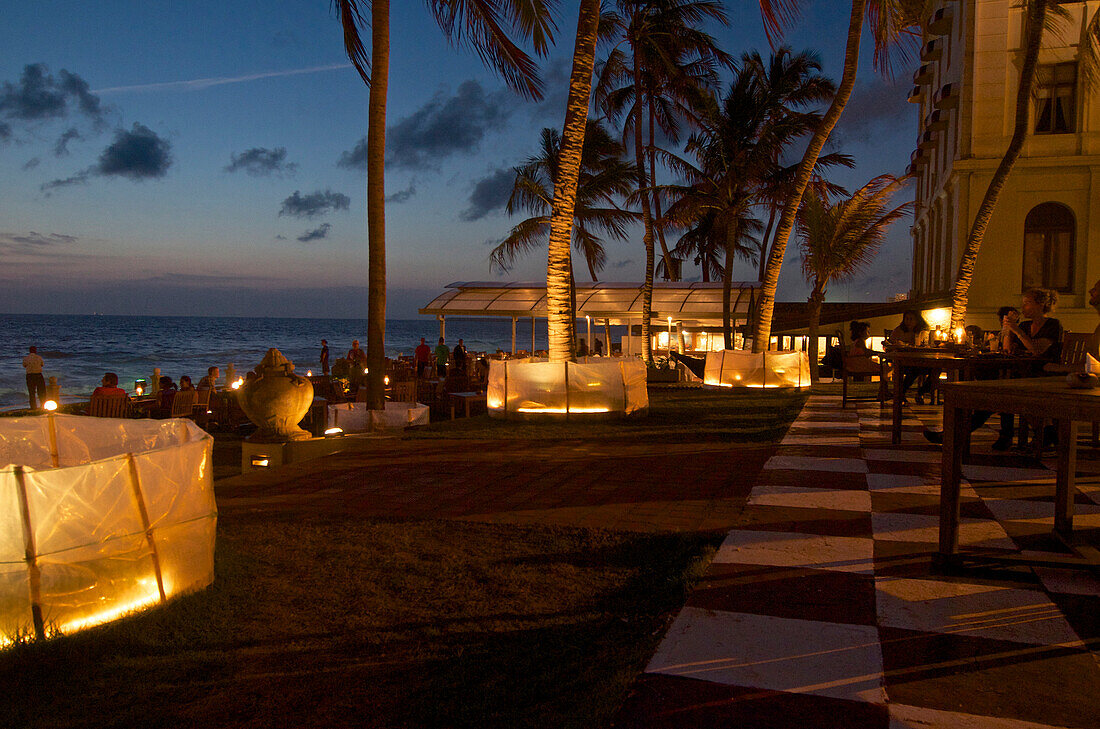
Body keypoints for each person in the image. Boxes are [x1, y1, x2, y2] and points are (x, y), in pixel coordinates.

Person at [887, 310, 933, 402]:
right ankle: (901, 393)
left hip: (921, 360)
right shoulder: (899, 330)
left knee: (935, 370)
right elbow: (890, 344)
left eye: (911, 319)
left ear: (917, 320)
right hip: (903, 361)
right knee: (913, 370)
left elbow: (927, 345)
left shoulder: (922, 331)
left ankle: (922, 391)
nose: (908, 321)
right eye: (906, 319)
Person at [22, 345, 46, 410]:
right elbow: (42, 364)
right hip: (38, 375)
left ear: (29, 351)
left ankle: (33, 407)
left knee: (31, 392)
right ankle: (43, 406)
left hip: (30, 376)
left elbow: (24, 365)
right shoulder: (39, 357)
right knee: (41, 391)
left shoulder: (26, 358)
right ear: (35, 351)